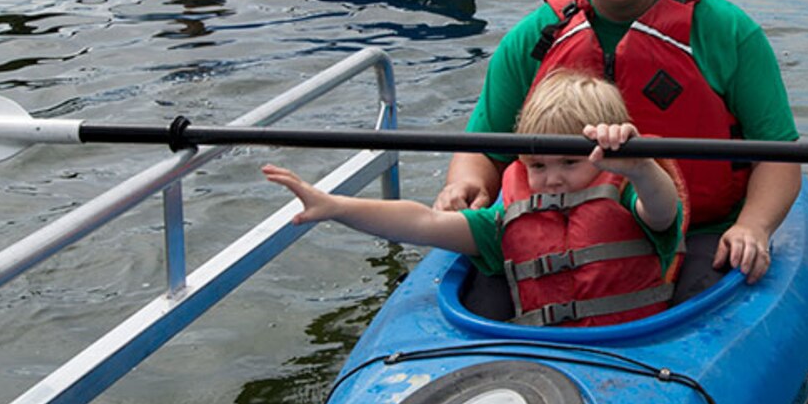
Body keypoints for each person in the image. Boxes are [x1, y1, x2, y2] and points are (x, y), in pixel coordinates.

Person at [433, 0, 800, 285]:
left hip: (694, 235)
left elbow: (779, 153)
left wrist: (753, 225)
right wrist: (467, 184)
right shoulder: (532, 39)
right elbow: (483, 147)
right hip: (552, 234)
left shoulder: (729, 33)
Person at [262, 70, 684, 327]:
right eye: (537, 167)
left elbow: (663, 211)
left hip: (631, 349)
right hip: (545, 350)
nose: (552, 179)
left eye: (569, 163)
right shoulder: (508, 220)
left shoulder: (633, 194)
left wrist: (640, 165)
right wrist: (336, 207)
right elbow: (423, 224)